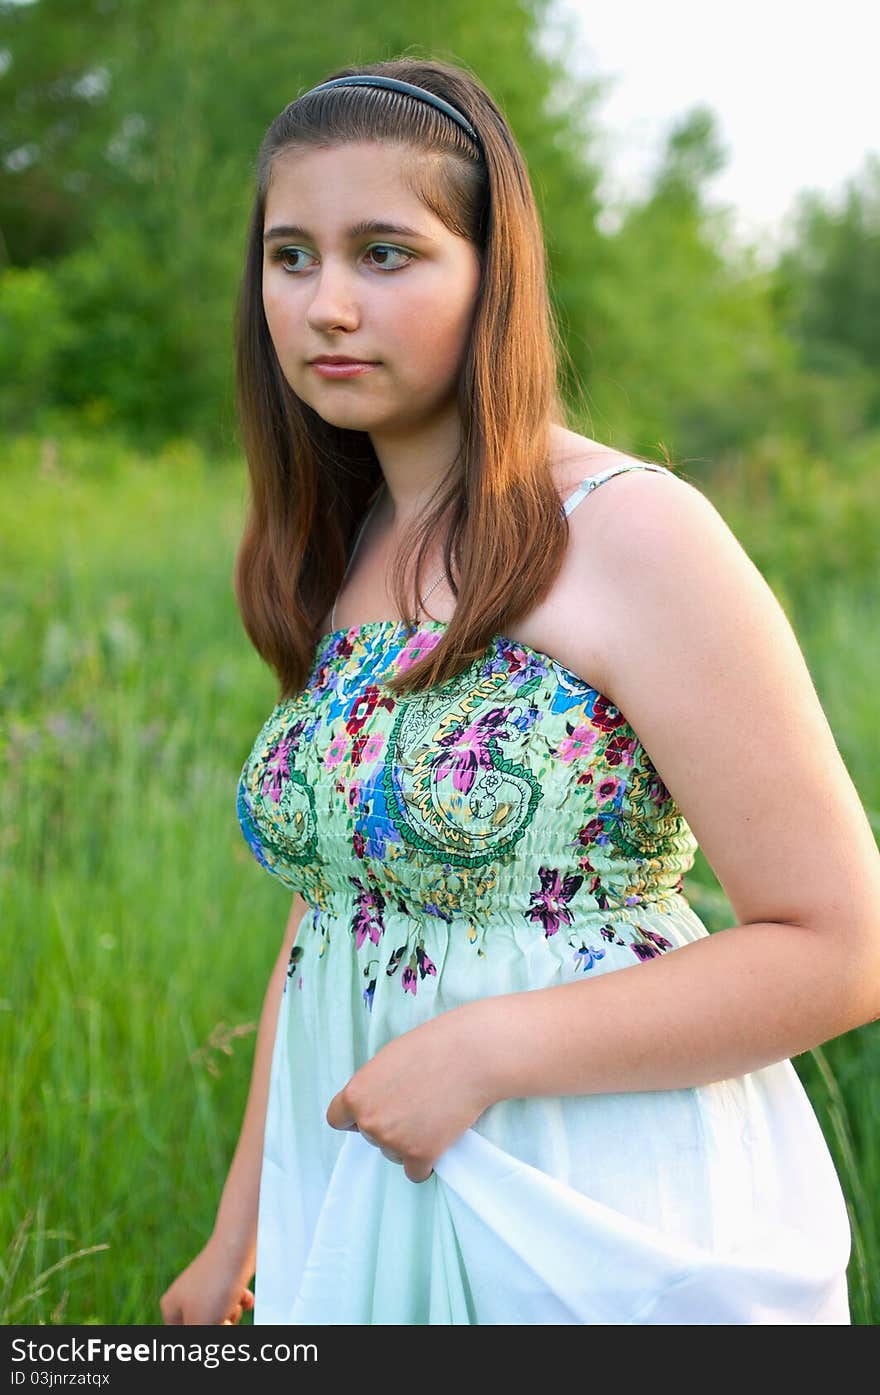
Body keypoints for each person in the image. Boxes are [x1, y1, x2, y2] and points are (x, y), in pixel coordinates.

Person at [160, 57, 880, 1327]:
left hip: (588, 1206)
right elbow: (336, 908)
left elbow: (841, 947)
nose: (326, 304)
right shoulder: (350, 542)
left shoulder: (634, 531)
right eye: (290, 255)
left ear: (495, 275)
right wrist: (246, 1230)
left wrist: (480, 1052)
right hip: (363, 1185)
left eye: (385, 254)